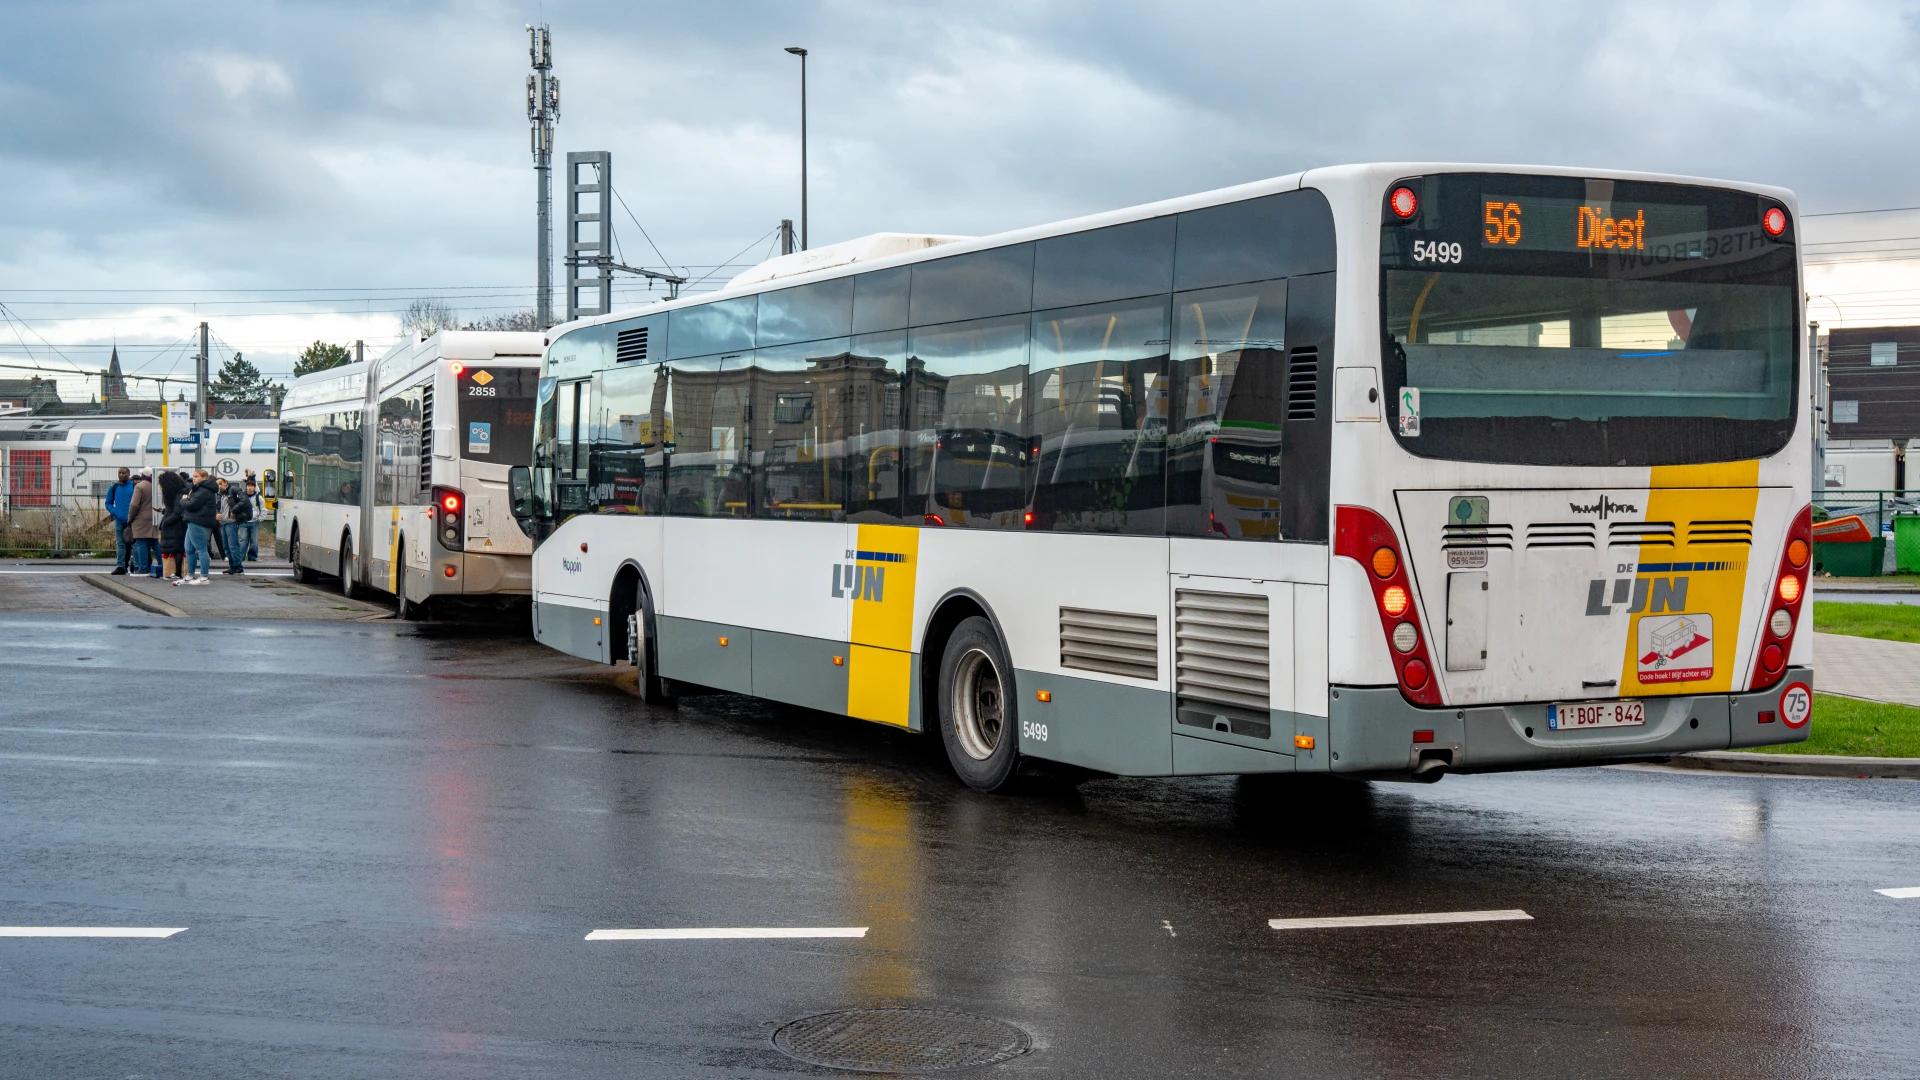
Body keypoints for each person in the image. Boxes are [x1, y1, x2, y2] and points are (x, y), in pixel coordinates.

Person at [175, 468, 218, 585]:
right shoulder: (199, 489)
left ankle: (204, 577)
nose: (194, 478)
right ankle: (190, 575)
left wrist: (184, 500)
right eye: (193, 476)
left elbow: (192, 505)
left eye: (197, 476)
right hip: (192, 520)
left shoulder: (203, 490)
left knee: (201, 549)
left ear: (204, 478)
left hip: (198, 521)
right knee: (189, 549)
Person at [217, 477, 252, 575]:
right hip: (223, 522)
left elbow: (244, 500)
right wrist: (216, 513)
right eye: (217, 484)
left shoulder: (233, 490)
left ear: (226, 483)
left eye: (220, 483)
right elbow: (216, 506)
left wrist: (234, 510)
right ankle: (232, 566)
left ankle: (238, 566)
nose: (219, 486)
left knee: (233, 545)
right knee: (226, 547)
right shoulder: (220, 495)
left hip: (231, 521)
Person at [157, 471, 188, 581]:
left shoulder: (177, 494)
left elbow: (177, 512)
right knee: (176, 548)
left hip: (175, 526)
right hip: (175, 525)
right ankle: (176, 572)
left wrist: (166, 522)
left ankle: (177, 573)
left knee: (177, 548)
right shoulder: (178, 493)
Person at [105, 467, 135, 574]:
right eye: (119, 473)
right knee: (120, 543)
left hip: (132, 520)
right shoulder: (114, 487)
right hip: (119, 519)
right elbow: (108, 502)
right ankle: (121, 566)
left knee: (134, 543)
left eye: (124, 473)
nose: (121, 475)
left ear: (128, 474)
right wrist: (114, 512)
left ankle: (135, 565)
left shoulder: (134, 486)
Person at [126, 470, 157, 575]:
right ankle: (163, 564)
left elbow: (134, 504)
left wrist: (130, 518)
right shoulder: (155, 486)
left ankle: (143, 568)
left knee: (141, 542)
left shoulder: (139, 486)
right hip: (154, 516)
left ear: (143, 475)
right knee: (155, 541)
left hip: (140, 518)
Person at [242, 479, 264, 561]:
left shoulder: (259, 497)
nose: (250, 488)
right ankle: (241, 557)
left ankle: (252, 557)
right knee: (243, 540)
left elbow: (263, 509)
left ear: (254, 487)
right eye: (248, 486)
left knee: (254, 541)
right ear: (246, 487)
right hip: (243, 522)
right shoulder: (241, 496)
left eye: (252, 486)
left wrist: (260, 519)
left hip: (254, 522)